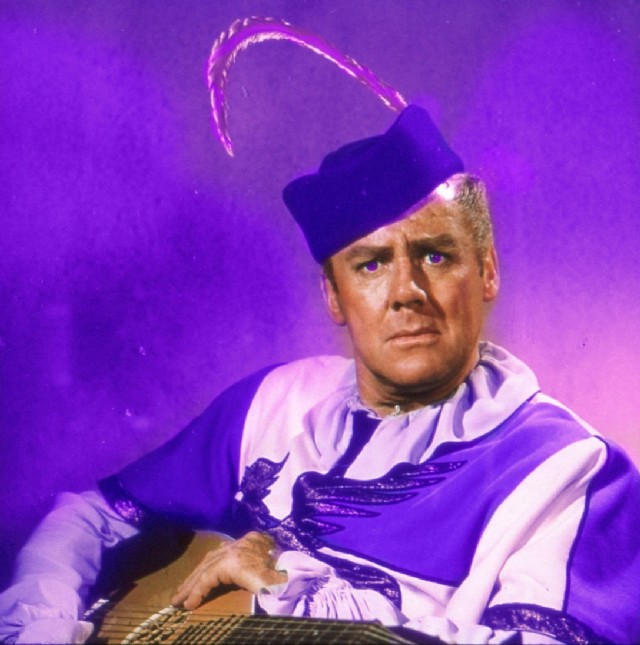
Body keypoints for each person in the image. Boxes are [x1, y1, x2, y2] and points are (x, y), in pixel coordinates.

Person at [1, 105, 639, 645]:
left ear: (488, 273)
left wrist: (294, 596)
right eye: (370, 265)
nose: (407, 291)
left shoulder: (570, 471)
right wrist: (41, 626)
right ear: (334, 297)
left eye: (436, 255)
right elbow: (88, 517)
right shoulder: (276, 403)